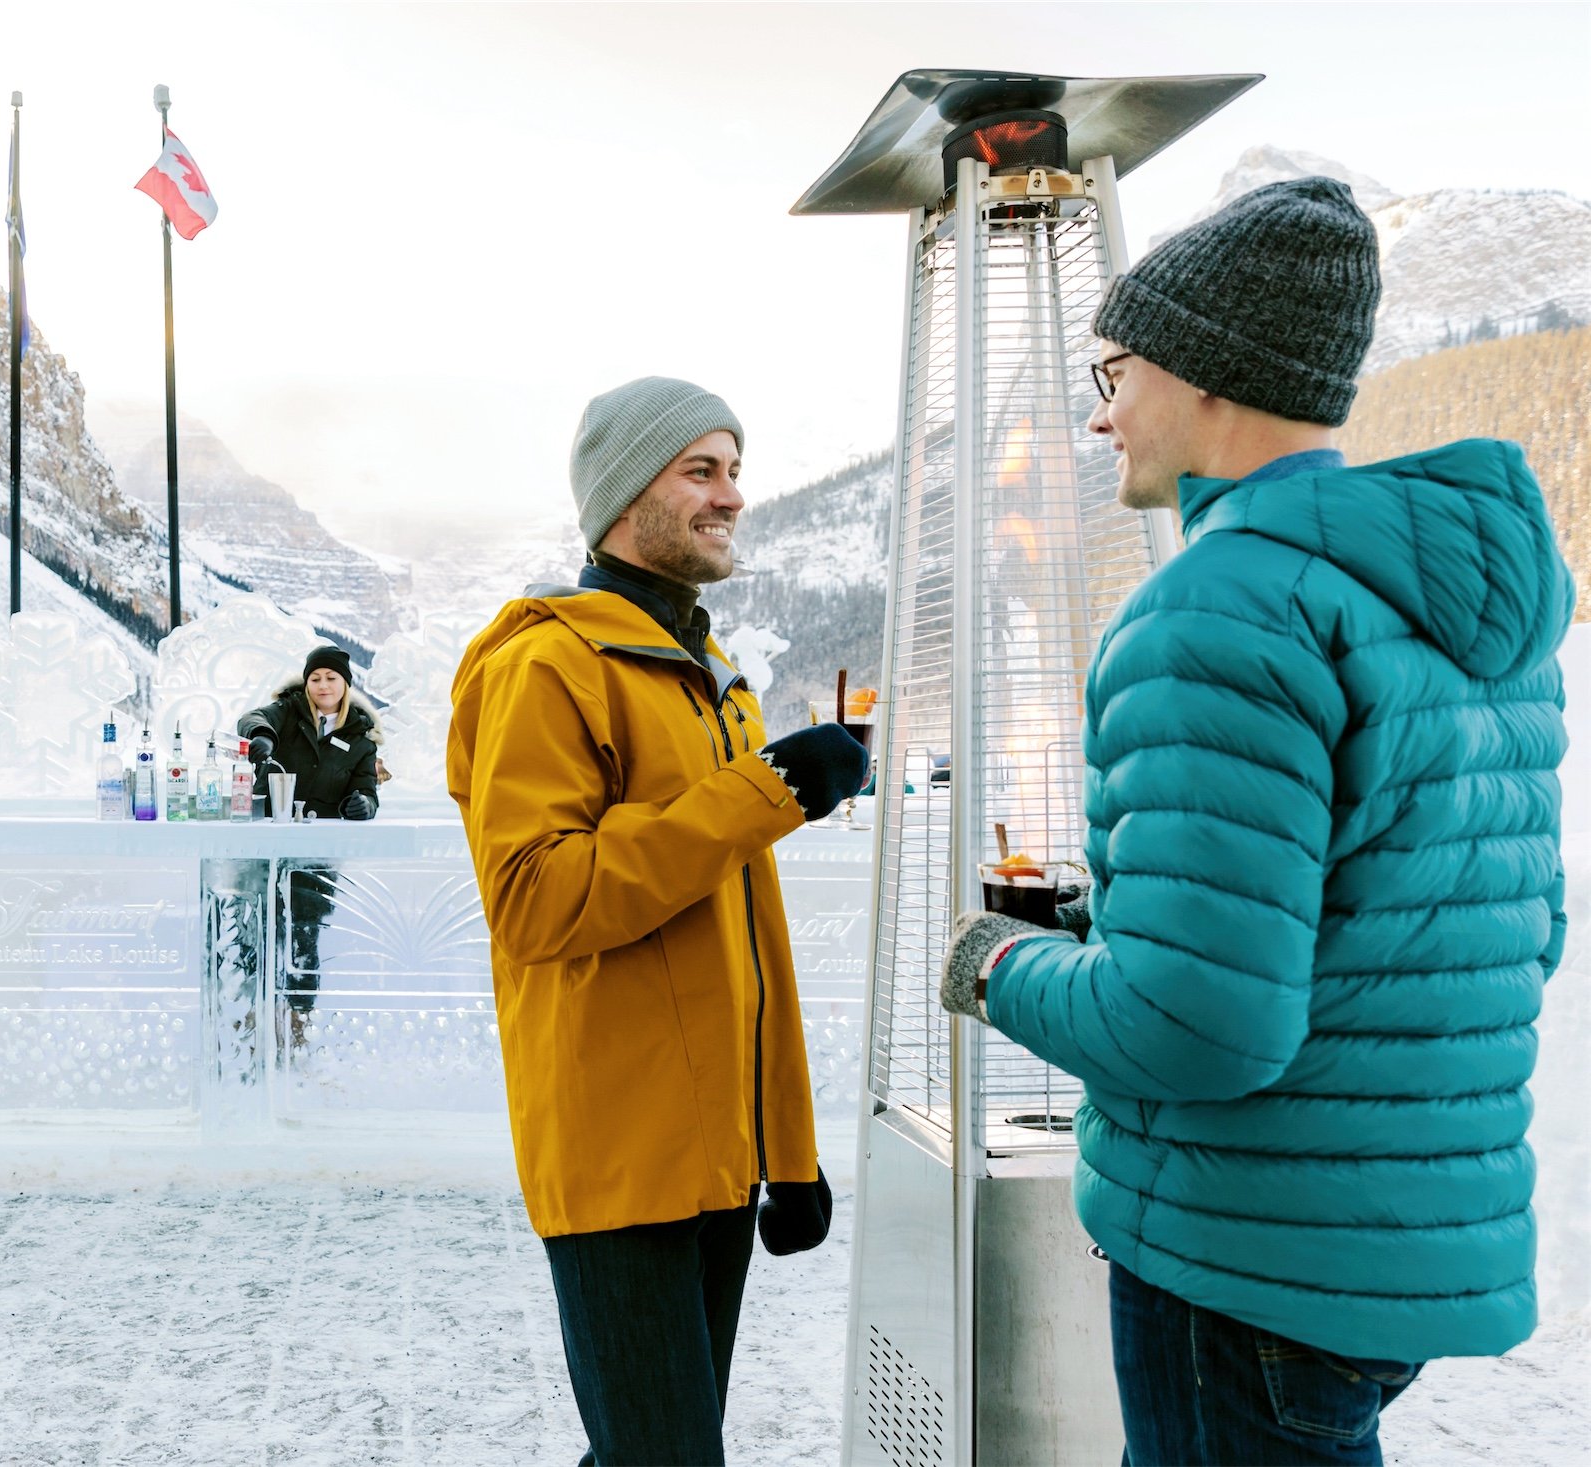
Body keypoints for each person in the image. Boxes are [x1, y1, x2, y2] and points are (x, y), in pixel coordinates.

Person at [937, 178, 1573, 1466]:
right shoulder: (1462, 603)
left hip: (1244, 1249)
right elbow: (1478, 930)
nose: (1103, 411)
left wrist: (994, 964)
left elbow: (1197, 1025)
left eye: (1114, 370)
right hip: (1382, 1243)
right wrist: (1128, 914)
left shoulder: (1219, 607)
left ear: (1208, 378)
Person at [448, 377, 872, 1465]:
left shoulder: (704, 677)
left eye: (733, 468)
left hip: (714, 1155)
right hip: (617, 1151)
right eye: (701, 469)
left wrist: (788, 1147)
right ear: (624, 493)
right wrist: (762, 790)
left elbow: (744, 937)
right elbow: (537, 900)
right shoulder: (549, 665)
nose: (732, 495)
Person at [238, 646, 382, 1034]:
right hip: (268, 846)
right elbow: (252, 718)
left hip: (318, 856)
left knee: (305, 932)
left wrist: (362, 804)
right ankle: (254, 1018)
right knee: (263, 928)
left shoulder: (360, 737)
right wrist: (262, 738)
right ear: (306, 682)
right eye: (315, 678)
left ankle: (298, 1022)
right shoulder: (287, 713)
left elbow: (368, 788)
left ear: (345, 684)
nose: (322, 685)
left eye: (331, 678)